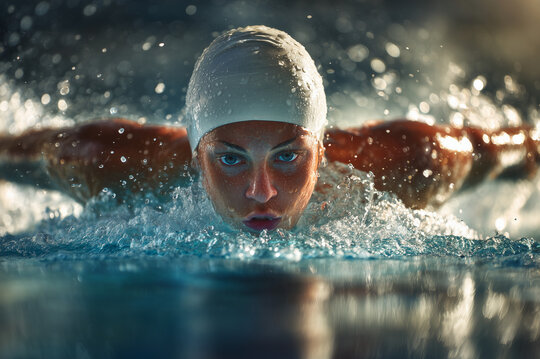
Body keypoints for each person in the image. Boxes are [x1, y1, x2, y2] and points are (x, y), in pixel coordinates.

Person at [1, 25, 539, 232]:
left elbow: (509, 148)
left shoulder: (411, 162)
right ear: (195, 154)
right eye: (230, 158)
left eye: (287, 155)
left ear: (322, 148)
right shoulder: (109, 163)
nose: (262, 193)